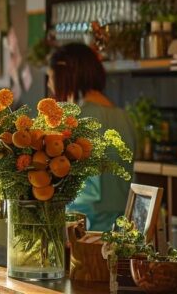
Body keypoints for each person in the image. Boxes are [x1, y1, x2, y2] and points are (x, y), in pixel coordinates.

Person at [48, 43, 137, 231]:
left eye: (51, 78)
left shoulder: (75, 119)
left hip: (85, 226)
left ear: (67, 76)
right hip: (122, 225)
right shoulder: (125, 117)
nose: (50, 84)